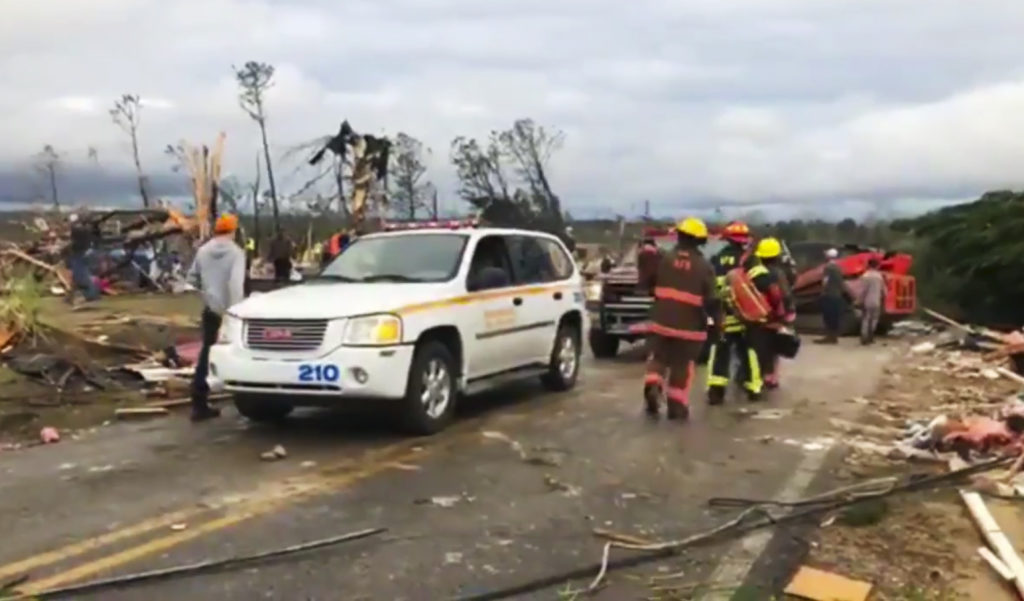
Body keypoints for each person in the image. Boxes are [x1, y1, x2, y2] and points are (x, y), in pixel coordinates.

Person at [643, 217, 720, 421]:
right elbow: (712, 300)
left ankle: (653, 383)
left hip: (661, 321)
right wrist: (717, 325)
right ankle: (676, 406)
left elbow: (651, 284)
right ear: (700, 241)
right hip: (690, 327)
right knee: (682, 365)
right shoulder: (704, 267)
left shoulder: (665, 259)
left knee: (658, 358)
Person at [186, 213, 246, 422]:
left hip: (211, 308)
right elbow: (236, 284)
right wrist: (235, 310)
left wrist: (207, 293)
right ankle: (245, 397)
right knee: (240, 352)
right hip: (231, 311)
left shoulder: (203, 251)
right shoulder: (236, 253)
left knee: (206, 353)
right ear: (233, 230)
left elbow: (191, 278)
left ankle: (199, 401)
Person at [706, 221, 760, 404]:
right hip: (744, 316)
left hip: (723, 314)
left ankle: (716, 390)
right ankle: (753, 388)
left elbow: (710, 288)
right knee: (749, 351)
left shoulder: (716, 259)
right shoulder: (749, 260)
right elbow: (759, 286)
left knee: (719, 352)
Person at [750, 237, 796, 390]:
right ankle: (771, 378)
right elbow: (785, 295)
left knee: (758, 349)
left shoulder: (753, 273)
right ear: (777, 256)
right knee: (775, 348)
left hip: (756, 317)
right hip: (775, 316)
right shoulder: (778, 274)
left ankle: (758, 376)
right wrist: (788, 315)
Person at [65, 213, 100, 304]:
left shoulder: (77, 229)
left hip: (80, 254)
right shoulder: (85, 229)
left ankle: (92, 296)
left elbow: (74, 242)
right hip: (83, 253)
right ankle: (71, 296)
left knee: (82, 276)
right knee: (78, 276)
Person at [817, 248, 850, 344]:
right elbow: (841, 283)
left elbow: (825, 281)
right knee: (835, 316)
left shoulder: (828, 267)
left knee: (828, 316)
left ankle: (829, 337)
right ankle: (834, 337)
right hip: (837, 295)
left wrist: (822, 291)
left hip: (829, 295)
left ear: (828, 257)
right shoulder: (838, 268)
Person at [857, 258, 886, 345]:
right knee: (874, 319)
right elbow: (884, 290)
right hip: (877, 301)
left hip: (867, 301)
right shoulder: (879, 277)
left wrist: (859, 300)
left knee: (866, 319)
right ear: (877, 266)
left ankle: (864, 337)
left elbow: (863, 291)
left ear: (868, 265)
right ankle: (871, 336)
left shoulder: (865, 276)